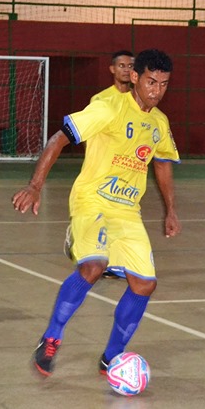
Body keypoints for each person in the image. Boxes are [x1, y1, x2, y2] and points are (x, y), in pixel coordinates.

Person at [12, 49, 180, 377]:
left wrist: (171, 209)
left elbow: (162, 163)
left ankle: (112, 357)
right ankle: (51, 338)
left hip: (127, 212)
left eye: (163, 84)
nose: (156, 90)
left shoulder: (159, 123)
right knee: (93, 266)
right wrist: (35, 187)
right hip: (92, 201)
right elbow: (59, 139)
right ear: (134, 77)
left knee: (145, 284)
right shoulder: (108, 107)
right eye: (150, 82)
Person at [63, 50, 135, 272]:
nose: (127, 69)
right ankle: (77, 235)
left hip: (127, 171)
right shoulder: (102, 99)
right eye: (122, 65)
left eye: (131, 66)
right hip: (102, 170)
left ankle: (112, 263)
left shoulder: (139, 101)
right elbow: (86, 133)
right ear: (112, 69)